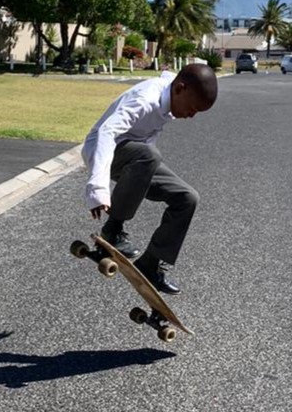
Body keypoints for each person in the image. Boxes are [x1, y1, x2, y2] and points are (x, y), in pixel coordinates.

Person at [81, 63, 218, 294]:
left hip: (139, 160)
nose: (192, 115)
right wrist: (97, 188)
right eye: (193, 108)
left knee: (187, 198)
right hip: (104, 151)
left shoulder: (173, 92)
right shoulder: (145, 99)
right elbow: (107, 132)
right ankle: (113, 230)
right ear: (179, 89)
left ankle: (151, 264)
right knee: (149, 154)